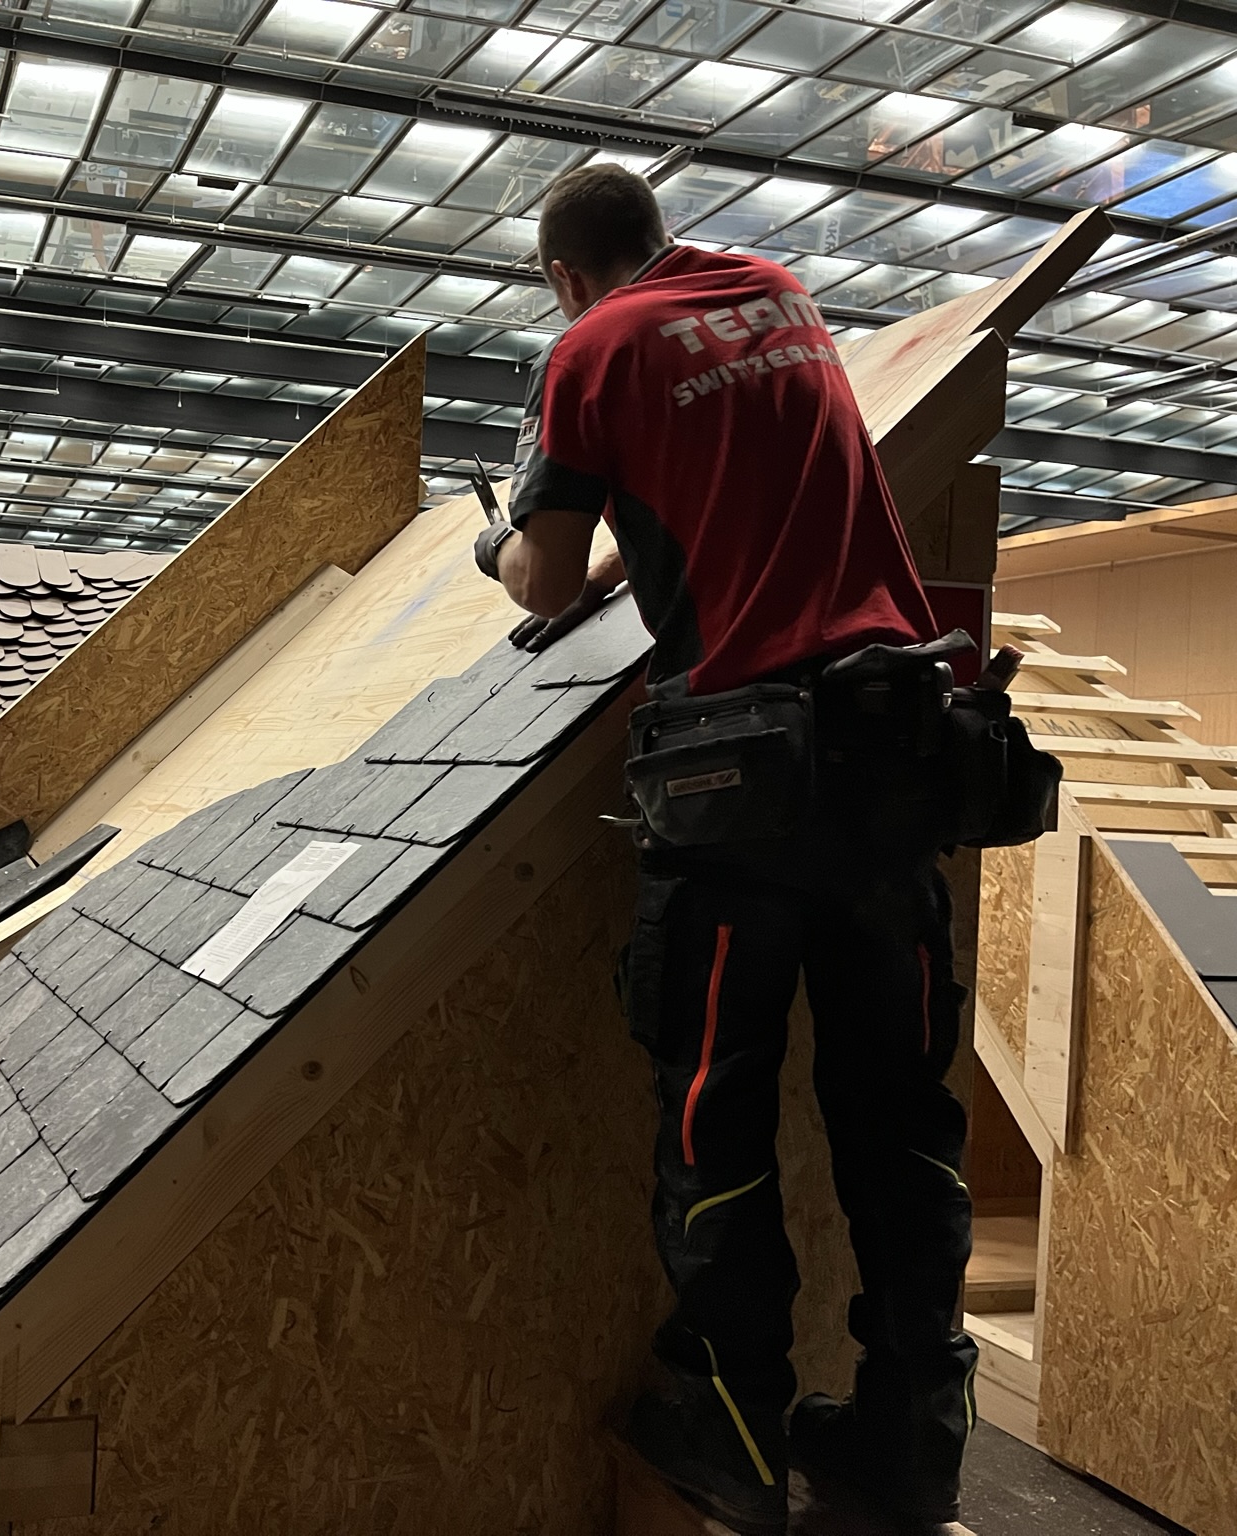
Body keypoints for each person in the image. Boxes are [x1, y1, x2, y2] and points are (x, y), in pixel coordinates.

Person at [471, 163, 977, 1533]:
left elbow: (544, 581)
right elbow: (740, 501)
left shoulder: (589, 349)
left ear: (565, 277)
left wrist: (500, 536)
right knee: (902, 1119)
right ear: (662, 237)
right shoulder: (777, 294)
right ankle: (913, 1442)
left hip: (741, 783)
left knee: (717, 1113)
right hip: (892, 755)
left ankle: (734, 1431)